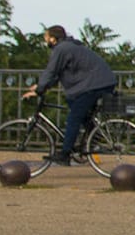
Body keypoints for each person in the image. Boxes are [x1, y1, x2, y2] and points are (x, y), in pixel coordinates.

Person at [25, 24, 117, 163]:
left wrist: (39, 90)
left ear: (53, 39)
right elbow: (58, 73)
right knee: (77, 108)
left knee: (74, 117)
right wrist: (41, 86)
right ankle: (92, 139)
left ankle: (65, 154)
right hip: (100, 83)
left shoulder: (61, 49)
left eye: (46, 37)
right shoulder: (69, 46)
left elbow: (51, 70)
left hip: (94, 85)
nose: (45, 41)